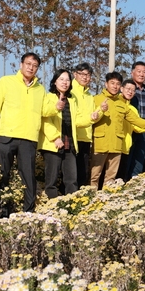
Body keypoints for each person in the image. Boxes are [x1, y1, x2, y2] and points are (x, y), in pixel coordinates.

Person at [0, 52, 47, 214]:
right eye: (28, 64)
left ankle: (29, 212)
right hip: (7, 135)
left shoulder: (40, 89)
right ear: (21, 65)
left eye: (35, 66)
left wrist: (57, 105)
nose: (31, 68)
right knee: (2, 174)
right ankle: (1, 211)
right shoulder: (6, 81)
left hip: (28, 138)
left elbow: (45, 110)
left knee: (28, 177)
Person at [38, 70, 103, 199]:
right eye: (61, 79)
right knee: (51, 181)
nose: (65, 82)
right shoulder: (48, 97)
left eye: (67, 80)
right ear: (55, 81)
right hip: (53, 144)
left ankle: (71, 207)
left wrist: (92, 118)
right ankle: (52, 209)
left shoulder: (71, 100)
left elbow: (77, 120)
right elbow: (44, 119)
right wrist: (55, 138)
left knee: (71, 180)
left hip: (70, 143)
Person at [90, 72, 145, 188]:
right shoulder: (96, 99)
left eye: (117, 84)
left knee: (110, 177)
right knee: (94, 175)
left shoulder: (123, 105)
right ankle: (90, 198)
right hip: (100, 144)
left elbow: (137, 121)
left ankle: (106, 201)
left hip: (117, 145)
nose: (115, 86)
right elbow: (91, 118)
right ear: (106, 84)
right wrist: (100, 110)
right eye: (112, 83)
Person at [71, 62, 95, 188]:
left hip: (86, 139)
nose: (85, 77)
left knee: (82, 173)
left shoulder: (90, 96)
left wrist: (101, 110)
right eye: (82, 74)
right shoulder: (70, 91)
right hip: (72, 138)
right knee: (70, 175)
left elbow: (94, 116)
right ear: (75, 74)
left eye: (88, 74)